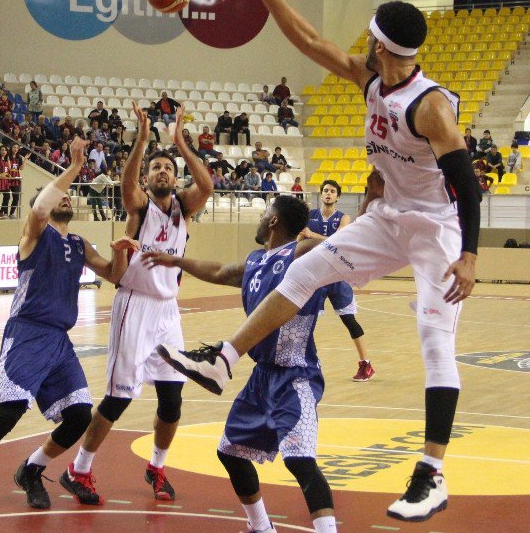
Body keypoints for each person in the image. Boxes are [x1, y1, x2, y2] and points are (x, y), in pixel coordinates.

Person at [158, 0, 481, 524]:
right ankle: (224, 359)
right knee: (304, 268)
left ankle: (431, 474)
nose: (362, 43)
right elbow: (310, 41)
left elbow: (467, 183)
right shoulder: (371, 80)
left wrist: (471, 255)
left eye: (370, 36)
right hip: (386, 220)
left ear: (384, 44)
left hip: (437, 230)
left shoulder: (429, 107)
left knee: (434, 340)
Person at [0, 138, 136, 521]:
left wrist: (122, 247)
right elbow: (42, 206)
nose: (65, 200)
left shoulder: (78, 243)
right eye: (57, 197)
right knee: (7, 413)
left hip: (59, 341)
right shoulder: (33, 235)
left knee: (79, 416)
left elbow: (114, 275)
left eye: (68, 197)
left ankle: (32, 468)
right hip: (27, 333)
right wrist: (74, 169)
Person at [145, 196, 336, 533]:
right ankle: (261, 527)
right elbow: (219, 271)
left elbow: (338, 246)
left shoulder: (300, 253)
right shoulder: (256, 261)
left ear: (274, 221)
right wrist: (174, 260)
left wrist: (314, 238)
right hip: (261, 377)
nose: (261, 219)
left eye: (265, 213)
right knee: (231, 452)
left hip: (295, 375)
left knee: (300, 459)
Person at [68, 101, 213, 504]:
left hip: (168, 311)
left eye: (167, 168)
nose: (162, 171)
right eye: (156, 168)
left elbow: (207, 187)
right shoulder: (139, 207)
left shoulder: (185, 208)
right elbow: (126, 183)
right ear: (147, 180)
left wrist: (180, 144)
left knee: (172, 400)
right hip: (134, 305)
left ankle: (157, 466)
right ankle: (78, 469)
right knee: (118, 398)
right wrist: (143, 143)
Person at [300, 180, 373, 381]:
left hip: (338, 275)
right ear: (320, 194)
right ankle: (305, 363)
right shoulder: (309, 216)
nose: (328, 194)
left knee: (349, 321)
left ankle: (365, 364)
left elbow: (337, 242)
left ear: (338, 197)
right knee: (306, 321)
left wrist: (312, 236)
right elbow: (300, 240)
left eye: (332, 191)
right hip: (316, 275)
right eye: (325, 191)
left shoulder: (344, 218)